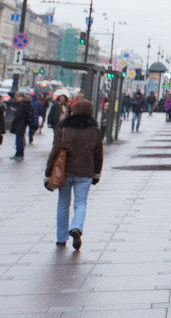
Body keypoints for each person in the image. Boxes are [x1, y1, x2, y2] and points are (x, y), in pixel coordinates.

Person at [46, 98, 103, 250]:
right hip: (85, 171)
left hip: (65, 171)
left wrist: (48, 173)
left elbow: (55, 151)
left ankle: (61, 238)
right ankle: (76, 227)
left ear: (73, 110)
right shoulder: (94, 130)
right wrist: (97, 173)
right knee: (80, 203)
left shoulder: (63, 128)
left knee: (63, 203)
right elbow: (98, 154)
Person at [9, 92, 35, 159]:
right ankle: (20, 153)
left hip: (20, 124)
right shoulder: (27, 104)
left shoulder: (21, 104)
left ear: (21, 97)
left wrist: (15, 112)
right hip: (24, 124)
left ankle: (18, 154)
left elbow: (19, 114)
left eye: (17, 97)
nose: (17, 99)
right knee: (21, 138)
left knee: (19, 139)